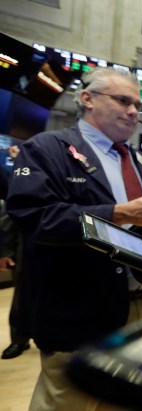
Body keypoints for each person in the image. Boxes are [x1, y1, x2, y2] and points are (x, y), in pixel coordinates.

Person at [6, 67, 142, 410]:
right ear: (87, 99)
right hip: (80, 309)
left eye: (137, 105)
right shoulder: (47, 150)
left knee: (131, 399)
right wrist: (117, 213)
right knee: (72, 402)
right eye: (123, 100)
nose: (134, 111)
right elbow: (35, 218)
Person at [0, 145, 31, 360]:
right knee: (21, 295)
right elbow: (9, 214)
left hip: (58, 242)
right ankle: (19, 339)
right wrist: (6, 250)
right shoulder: (20, 178)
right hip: (25, 242)